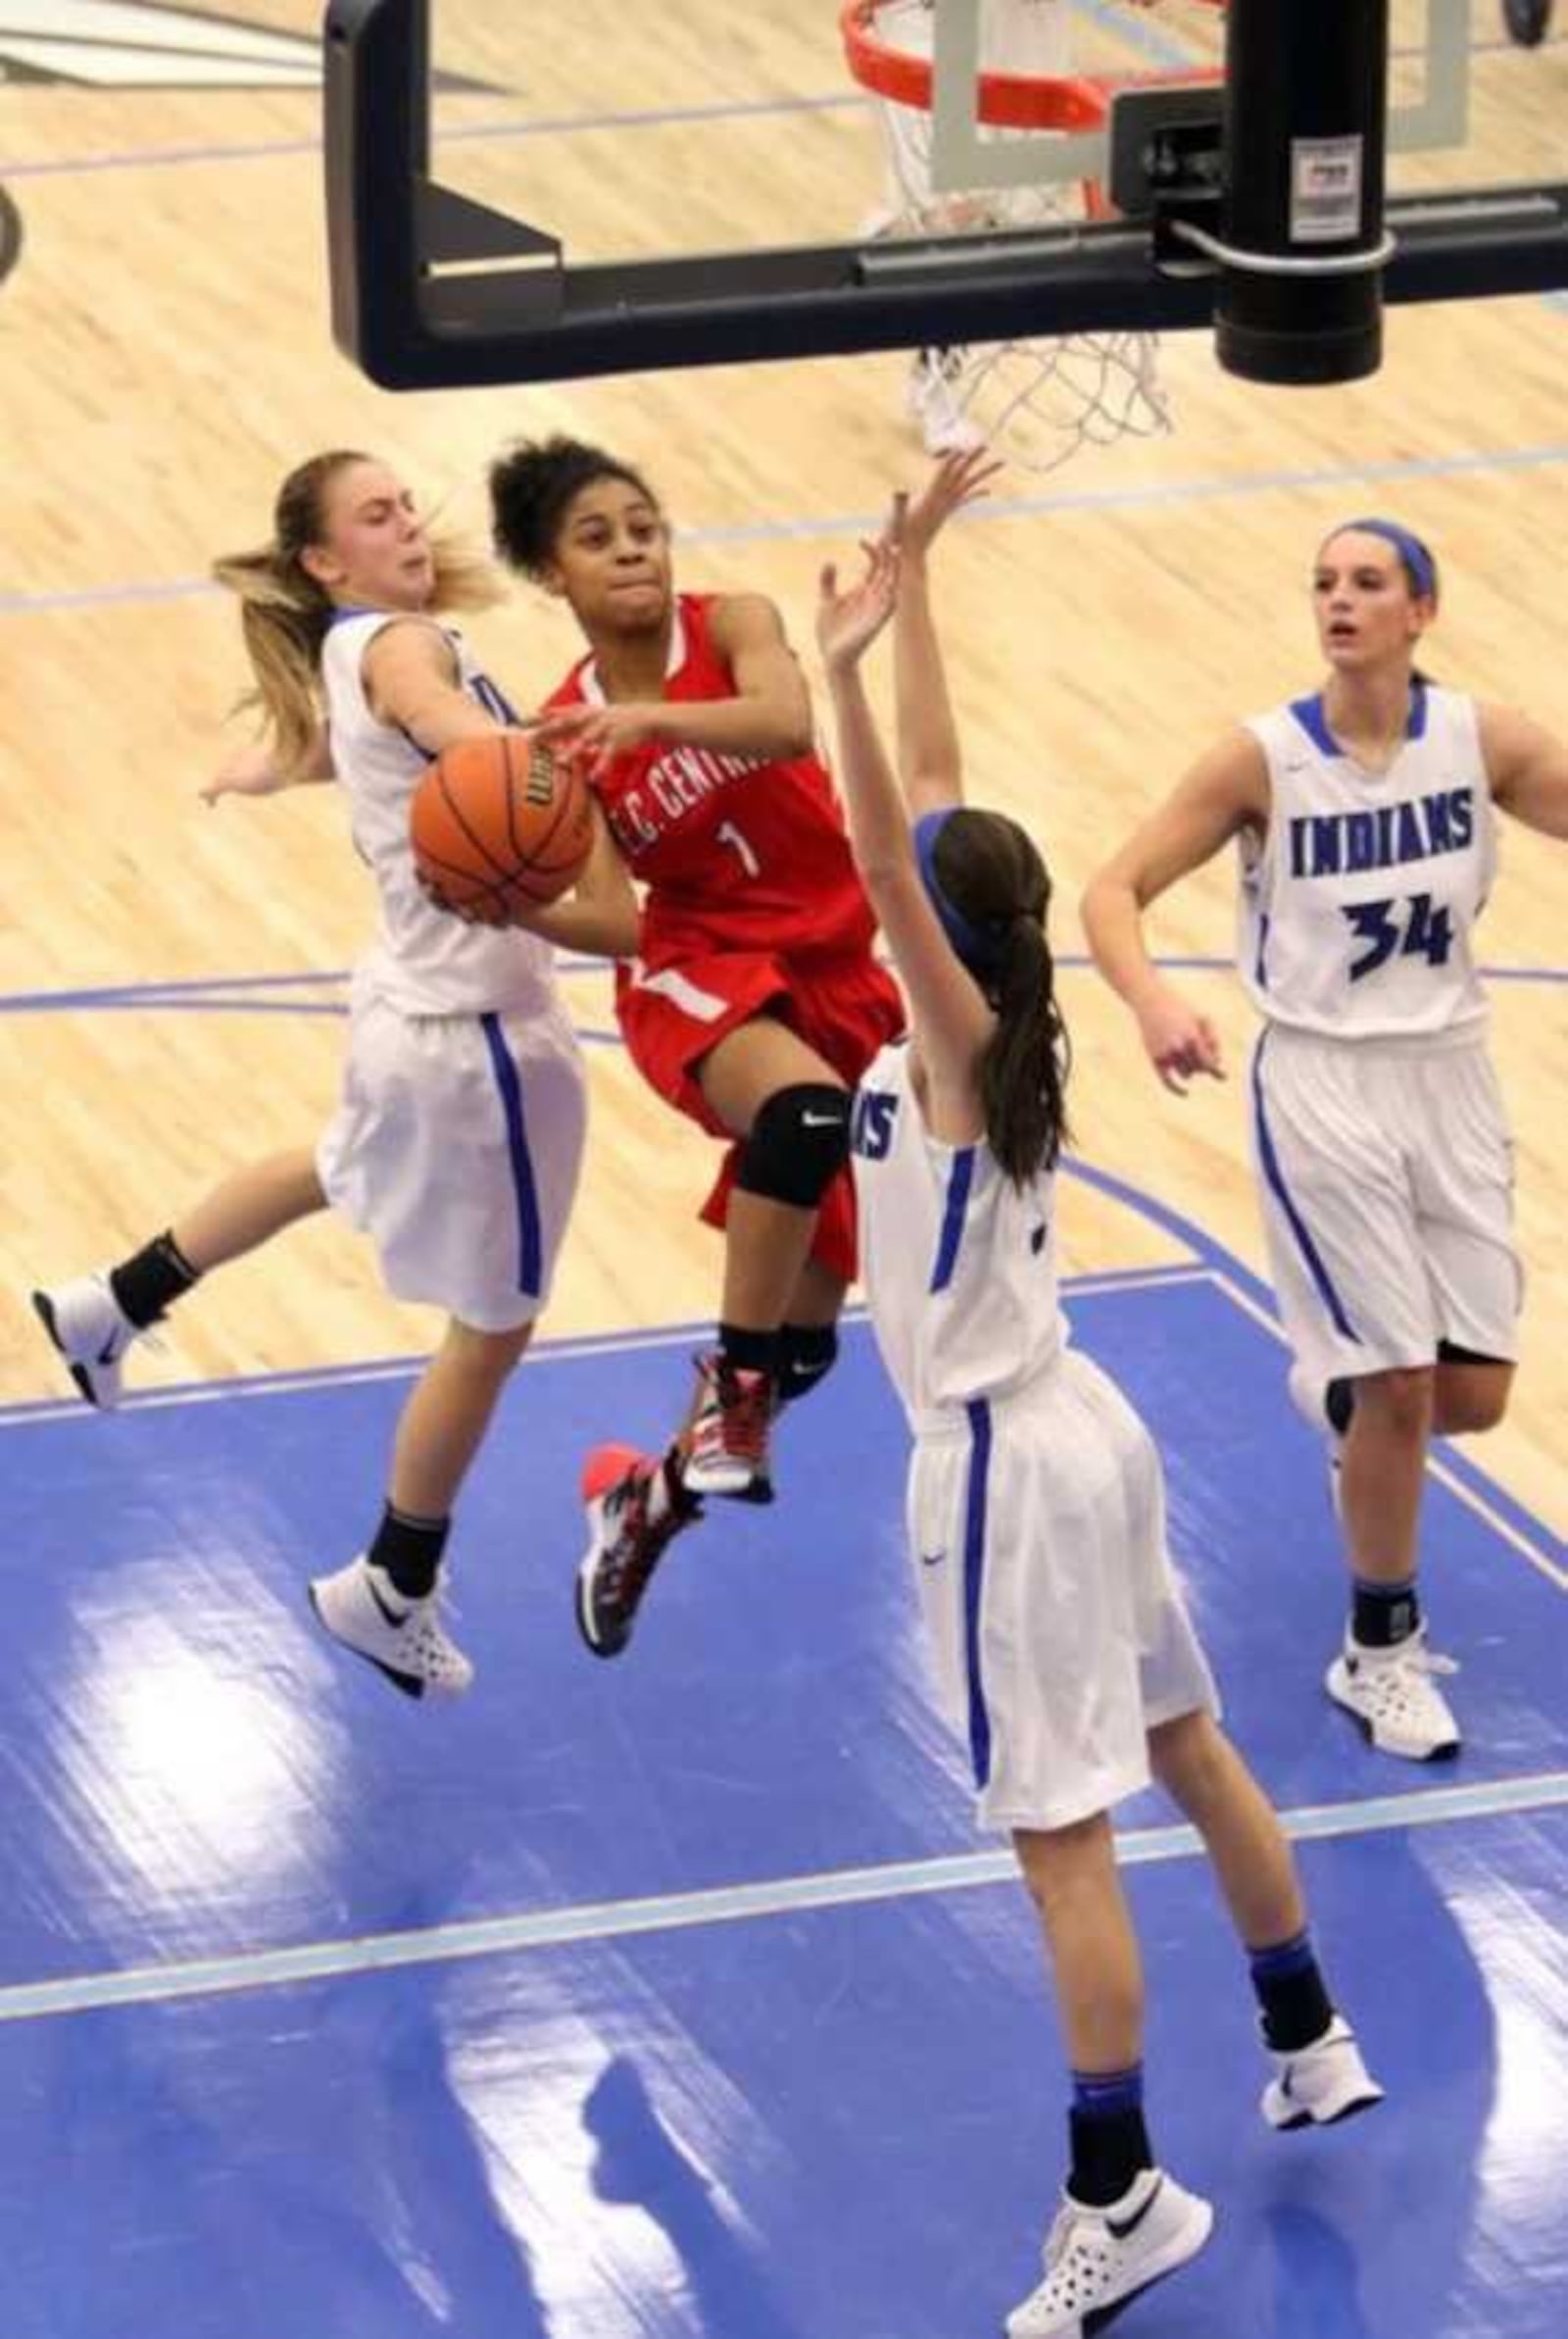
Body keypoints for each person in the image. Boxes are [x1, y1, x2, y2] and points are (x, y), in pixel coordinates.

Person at [815, 448, 1382, 2339]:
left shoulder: (956, 1049)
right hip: (1086, 1423)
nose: (885, 889)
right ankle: (1308, 2034)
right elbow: (941, 806)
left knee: (1064, 1837)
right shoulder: (1000, 1004)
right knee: (1187, 1739)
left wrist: (831, 669)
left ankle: (1119, 2189)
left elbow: (894, 845)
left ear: (939, 942)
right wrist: (920, 585)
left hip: (998, 1467)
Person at [31, 450, 635, 1698]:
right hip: (477, 1035)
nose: (406, 520)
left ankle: (108, 1301)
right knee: (495, 1325)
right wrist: (560, 758)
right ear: (323, 562)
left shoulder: (365, 643)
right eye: (376, 513)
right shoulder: (405, 654)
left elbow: (387, 748)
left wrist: (287, 764)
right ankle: (391, 1584)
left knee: (334, 1164)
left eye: (406, 502)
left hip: (405, 1010)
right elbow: (470, 754)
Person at [1081, 519, 1568, 1761]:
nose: (1339, 601)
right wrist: (1151, 999)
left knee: (1468, 1396)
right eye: (1323, 583)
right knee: (1402, 1385)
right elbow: (1109, 889)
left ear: (1421, 610)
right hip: (1321, 1082)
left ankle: (1342, 1404)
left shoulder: (1480, 740)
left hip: (1448, 1076)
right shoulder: (1260, 759)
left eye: (1366, 583)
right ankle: (1380, 1652)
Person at [487, 435, 906, 1659]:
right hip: (699, 968)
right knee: (804, 1120)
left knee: (809, 1341)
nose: (633, 552)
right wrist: (508, 901)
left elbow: (783, 721)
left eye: (644, 526)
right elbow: (617, 915)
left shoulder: (735, 628)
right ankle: (730, 1395)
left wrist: (650, 719)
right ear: (551, 575)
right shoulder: (562, 733)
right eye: (598, 539)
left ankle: (647, 1495)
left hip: (834, 969)